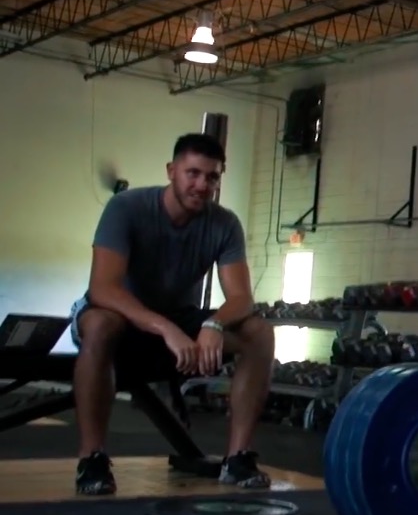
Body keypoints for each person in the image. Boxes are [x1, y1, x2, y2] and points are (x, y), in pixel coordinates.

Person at [68, 133, 275, 496]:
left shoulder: (224, 224)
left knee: (259, 333)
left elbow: (242, 297)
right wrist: (165, 329)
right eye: (192, 173)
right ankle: (92, 458)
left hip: (180, 318)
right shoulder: (127, 208)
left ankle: (237, 458)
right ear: (171, 171)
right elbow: (102, 288)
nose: (201, 185)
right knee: (99, 324)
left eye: (211, 177)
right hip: (118, 314)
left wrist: (213, 324)